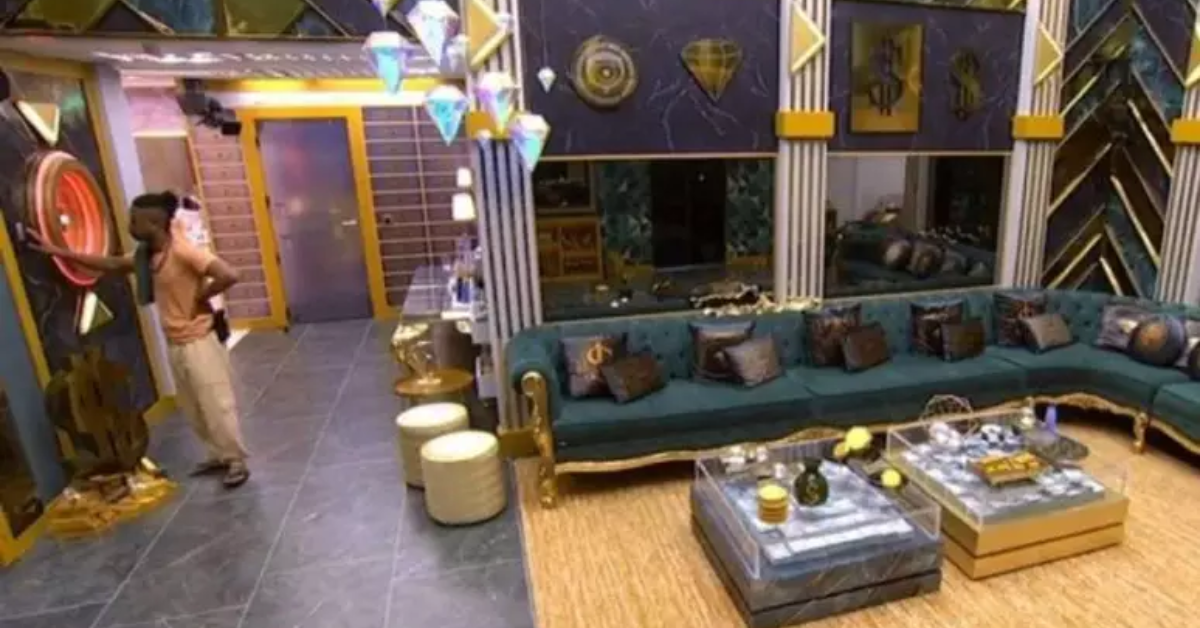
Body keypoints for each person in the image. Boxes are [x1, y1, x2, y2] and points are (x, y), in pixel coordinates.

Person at [28, 191, 251, 488]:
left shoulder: (183, 251)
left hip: (199, 341)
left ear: (155, 224)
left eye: (135, 220)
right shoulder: (146, 257)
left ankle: (236, 461)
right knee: (193, 405)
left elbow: (229, 274)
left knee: (215, 403)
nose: (130, 225)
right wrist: (58, 252)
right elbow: (111, 264)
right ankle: (218, 455)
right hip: (176, 342)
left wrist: (201, 295)